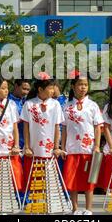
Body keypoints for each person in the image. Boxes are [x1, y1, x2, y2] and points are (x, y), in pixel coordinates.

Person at [61, 70, 103, 215]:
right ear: (73, 86)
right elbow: (64, 128)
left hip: (89, 149)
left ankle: (89, 209)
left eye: (85, 85)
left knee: (89, 179)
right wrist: (62, 147)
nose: (83, 87)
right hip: (72, 149)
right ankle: (75, 208)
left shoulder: (93, 105)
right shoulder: (67, 106)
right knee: (72, 179)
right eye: (80, 84)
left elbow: (98, 128)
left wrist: (97, 146)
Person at [20, 72, 65, 211]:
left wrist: (57, 147)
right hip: (33, 149)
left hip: (50, 150)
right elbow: (26, 128)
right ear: (40, 89)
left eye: (53, 88)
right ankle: (35, 207)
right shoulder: (29, 104)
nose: (53, 90)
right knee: (34, 180)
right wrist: (27, 147)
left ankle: (50, 206)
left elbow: (57, 126)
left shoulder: (56, 104)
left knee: (50, 180)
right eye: (50, 88)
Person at [8, 79, 31, 150]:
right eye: (24, 89)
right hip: (11, 141)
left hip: (26, 142)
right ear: (16, 86)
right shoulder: (7, 101)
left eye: (28, 90)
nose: (26, 92)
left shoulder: (27, 102)